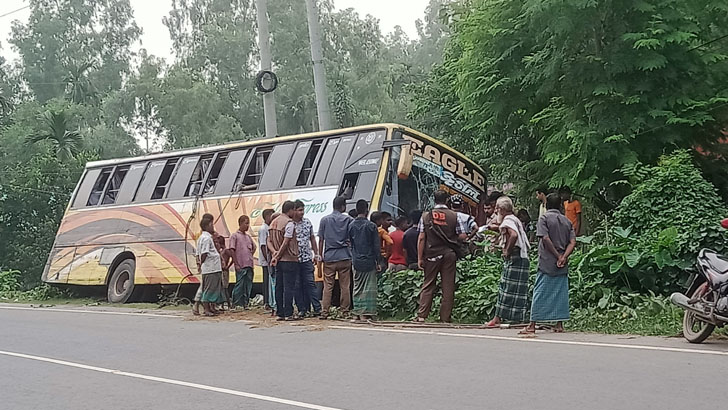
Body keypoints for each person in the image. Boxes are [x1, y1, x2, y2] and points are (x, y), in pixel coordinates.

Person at [522, 193, 577, 334]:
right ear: (560, 205)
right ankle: (559, 324)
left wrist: (556, 255)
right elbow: (572, 242)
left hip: (547, 260)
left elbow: (545, 239)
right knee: (560, 292)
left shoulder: (544, 218)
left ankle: (532, 324)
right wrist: (563, 256)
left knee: (539, 291)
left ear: (546, 205)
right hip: (562, 263)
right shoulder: (567, 221)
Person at [414, 190, 468, 323]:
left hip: (431, 255)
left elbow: (421, 238)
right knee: (448, 287)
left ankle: (422, 316)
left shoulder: (426, 216)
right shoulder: (455, 216)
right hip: (449, 255)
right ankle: (445, 318)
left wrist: (420, 258)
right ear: (447, 200)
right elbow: (463, 236)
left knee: (428, 284)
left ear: (434, 200)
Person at [487, 196, 531, 327]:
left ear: (501, 209)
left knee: (506, 288)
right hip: (521, 258)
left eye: (496, 209)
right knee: (517, 290)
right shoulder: (513, 219)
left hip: (515, 256)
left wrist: (506, 250)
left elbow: (513, 235)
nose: (495, 211)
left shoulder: (508, 220)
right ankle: (515, 318)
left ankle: (498, 318)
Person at [318, 196, 353, 319]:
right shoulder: (348, 220)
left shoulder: (324, 220)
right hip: (344, 256)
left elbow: (321, 240)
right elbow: (352, 237)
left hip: (329, 256)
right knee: (345, 286)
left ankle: (325, 311)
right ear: (343, 206)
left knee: (328, 286)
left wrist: (320, 255)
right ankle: (345, 311)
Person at [348, 199, 380, 321]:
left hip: (356, 261)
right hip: (369, 260)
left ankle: (357, 312)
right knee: (369, 287)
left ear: (356, 210)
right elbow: (376, 246)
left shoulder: (351, 226)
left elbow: (351, 243)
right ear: (367, 210)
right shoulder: (371, 226)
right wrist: (378, 261)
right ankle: (367, 313)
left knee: (357, 286)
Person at [268, 201, 300, 321]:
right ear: (290, 210)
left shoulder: (273, 222)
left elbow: (269, 241)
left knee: (279, 286)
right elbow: (286, 241)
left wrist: (274, 254)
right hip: (289, 259)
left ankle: (280, 312)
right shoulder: (289, 223)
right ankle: (288, 313)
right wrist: (278, 255)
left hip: (279, 261)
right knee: (288, 287)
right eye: (294, 210)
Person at [293, 199, 322, 318]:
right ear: (294, 211)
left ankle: (317, 308)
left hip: (306, 258)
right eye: (300, 210)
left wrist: (316, 253)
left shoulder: (307, 223)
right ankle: (302, 309)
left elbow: (312, 239)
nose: (302, 212)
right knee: (297, 285)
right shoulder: (290, 224)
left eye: (303, 210)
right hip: (294, 260)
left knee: (310, 283)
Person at [196, 213, 225, 317]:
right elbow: (204, 253)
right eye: (212, 224)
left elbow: (197, 253)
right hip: (211, 267)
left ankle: (211, 308)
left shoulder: (201, 238)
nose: (213, 227)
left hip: (211, 267)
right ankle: (206, 309)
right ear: (207, 225)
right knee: (209, 288)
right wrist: (202, 262)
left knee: (213, 288)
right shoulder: (207, 238)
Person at [230, 215, 256, 309]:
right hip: (240, 265)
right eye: (246, 223)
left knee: (248, 285)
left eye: (248, 223)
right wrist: (236, 263)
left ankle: (245, 303)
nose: (247, 225)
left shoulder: (248, 237)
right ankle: (235, 303)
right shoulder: (235, 236)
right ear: (240, 223)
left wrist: (249, 256)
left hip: (249, 264)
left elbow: (254, 247)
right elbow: (232, 250)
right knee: (239, 285)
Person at [258, 209, 276, 315]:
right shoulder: (263, 229)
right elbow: (263, 245)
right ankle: (267, 302)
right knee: (266, 281)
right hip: (266, 260)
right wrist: (267, 259)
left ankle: (269, 301)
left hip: (269, 259)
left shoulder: (269, 228)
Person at [217, 234, 233, 310]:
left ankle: (228, 304)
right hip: (220, 270)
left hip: (224, 271)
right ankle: (223, 304)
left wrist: (228, 266)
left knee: (225, 288)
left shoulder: (226, 250)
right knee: (222, 287)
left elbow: (232, 257)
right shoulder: (220, 251)